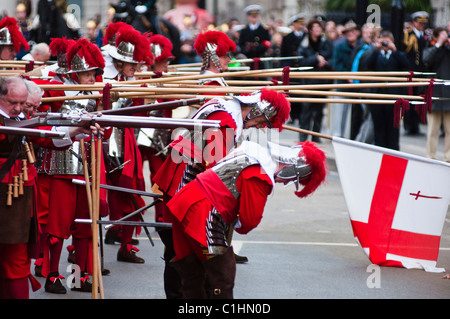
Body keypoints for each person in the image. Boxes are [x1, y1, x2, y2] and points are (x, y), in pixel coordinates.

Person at [166, 139, 327, 298]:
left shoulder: (251, 153)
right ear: (292, 168)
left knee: (191, 274)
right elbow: (249, 220)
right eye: (293, 179)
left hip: (185, 201)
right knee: (222, 276)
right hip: (203, 213)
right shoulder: (260, 173)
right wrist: (234, 221)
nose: (286, 181)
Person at [0, 75, 103, 299]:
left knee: (17, 261)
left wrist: (76, 129)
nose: (19, 109)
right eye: (13, 103)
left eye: (22, 103)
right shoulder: (12, 122)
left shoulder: (21, 119)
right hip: (8, 196)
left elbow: (46, 137)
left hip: (19, 198)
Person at [37, 38, 109, 294]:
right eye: (88, 74)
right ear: (76, 72)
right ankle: (53, 274)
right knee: (57, 224)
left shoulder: (96, 93)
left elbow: (107, 133)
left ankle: (79, 276)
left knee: (85, 223)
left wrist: (104, 110)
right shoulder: (54, 90)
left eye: (94, 73)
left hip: (89, 164)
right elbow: (40, 127)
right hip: (61, 165)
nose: (93, 78)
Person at [103, 27, 154, 263]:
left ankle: (125, 245)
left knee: (132, 192)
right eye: (131, 63)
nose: (136, 67)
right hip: (108, 140)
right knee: (109, 195)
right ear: (120, 61)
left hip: (127, 140)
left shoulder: (131, 80)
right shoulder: (107, 80)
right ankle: (85, 254)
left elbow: (139, 113)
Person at [364, 30, 411, 150]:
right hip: (377, 96)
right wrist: (376, 49)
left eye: (387, 42)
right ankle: (380, 151)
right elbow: (367, 65)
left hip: (393, 97)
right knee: (378, 127)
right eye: (383, 41)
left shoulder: (397, 55)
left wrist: (394, 50)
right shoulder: (376, 54)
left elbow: (407, 66)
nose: (385, 44)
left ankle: (393, 152)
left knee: (393, 127)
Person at [297, 18, 333, 142]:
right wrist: (315, 59)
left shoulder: (325, 42)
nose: (318, 30)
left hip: (322, 81)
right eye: (315, 28)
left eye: (319, 27)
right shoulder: (304, 44)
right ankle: (303, 137)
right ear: (310, 30)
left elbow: (332, 58)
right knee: (306, 110)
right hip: (308, 83)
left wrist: (325, 62)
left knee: (319, 111)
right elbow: (302, 62)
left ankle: (316, 136)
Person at [423, 26, 450, 162]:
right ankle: (430, 156)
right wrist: (439, 44)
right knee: (432, 130)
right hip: (434, 94)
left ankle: (448, 157)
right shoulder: (432, 47)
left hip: (448, 96)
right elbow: (426, 60)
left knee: (449, 130)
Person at [331, 20, 362, 138]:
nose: (351, 33)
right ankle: (338, 138)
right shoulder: (339, 46)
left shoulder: (362, 46)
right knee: (340, 115)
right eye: (348, 31)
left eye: (353, 31)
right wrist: (347, 75)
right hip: (343, 85)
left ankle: (353, 139)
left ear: (358, 32)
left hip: (357, 86)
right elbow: (336, 64)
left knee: (356, 115)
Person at [403, 11, 430, 136]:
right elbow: (406, 50)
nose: (421, 25)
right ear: (414, 22)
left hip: (421, 73)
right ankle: (409, 125)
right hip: (411, 72)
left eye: (423, 23)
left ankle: (417, 125)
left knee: (419, 99)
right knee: (409, 98)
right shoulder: (408, 34)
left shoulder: (425, 36)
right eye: (419, 23)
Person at [280, 13, 306, 126]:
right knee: (292, 92)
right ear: (294, 24)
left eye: (302, 23)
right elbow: (283, 54)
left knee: (302, 93)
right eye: (299, 23)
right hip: (292, 69)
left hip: (302, 68)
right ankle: (293, 115)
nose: (301, 25)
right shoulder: (287, 38)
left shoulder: (306, 36)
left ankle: (299, 115)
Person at [237, 5, 271, 69]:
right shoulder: (244, 30)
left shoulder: (264, 30)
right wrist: (247, 49)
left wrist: (256, 48)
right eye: (252, 16)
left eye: (256, 15)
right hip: (248, 60)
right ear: (248, 17)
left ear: (259, 16)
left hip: (260, 59)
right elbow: (241, 44)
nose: (254, 17)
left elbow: (267, 43)